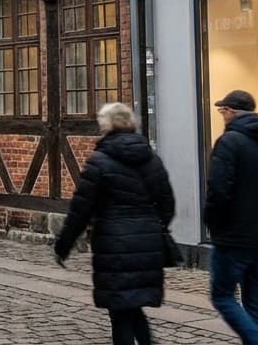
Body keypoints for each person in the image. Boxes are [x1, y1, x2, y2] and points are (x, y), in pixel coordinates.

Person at [55, 102, 174, 345]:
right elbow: (167, 204)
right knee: (133, 306)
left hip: (114, 246)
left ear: (106, 126)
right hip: (147, 245)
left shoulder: (98, 162)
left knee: (120, 312)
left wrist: (63, 246)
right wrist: (152, 226)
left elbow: (80, 210)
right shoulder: (152, 159)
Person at [205, 90, 258, 345]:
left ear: (231, 112)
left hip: (234, 236)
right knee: (256, 301)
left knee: (222, 296)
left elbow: (218, 189)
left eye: (222, 111)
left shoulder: (229, 141)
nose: (221, 116)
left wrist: (214, 224)